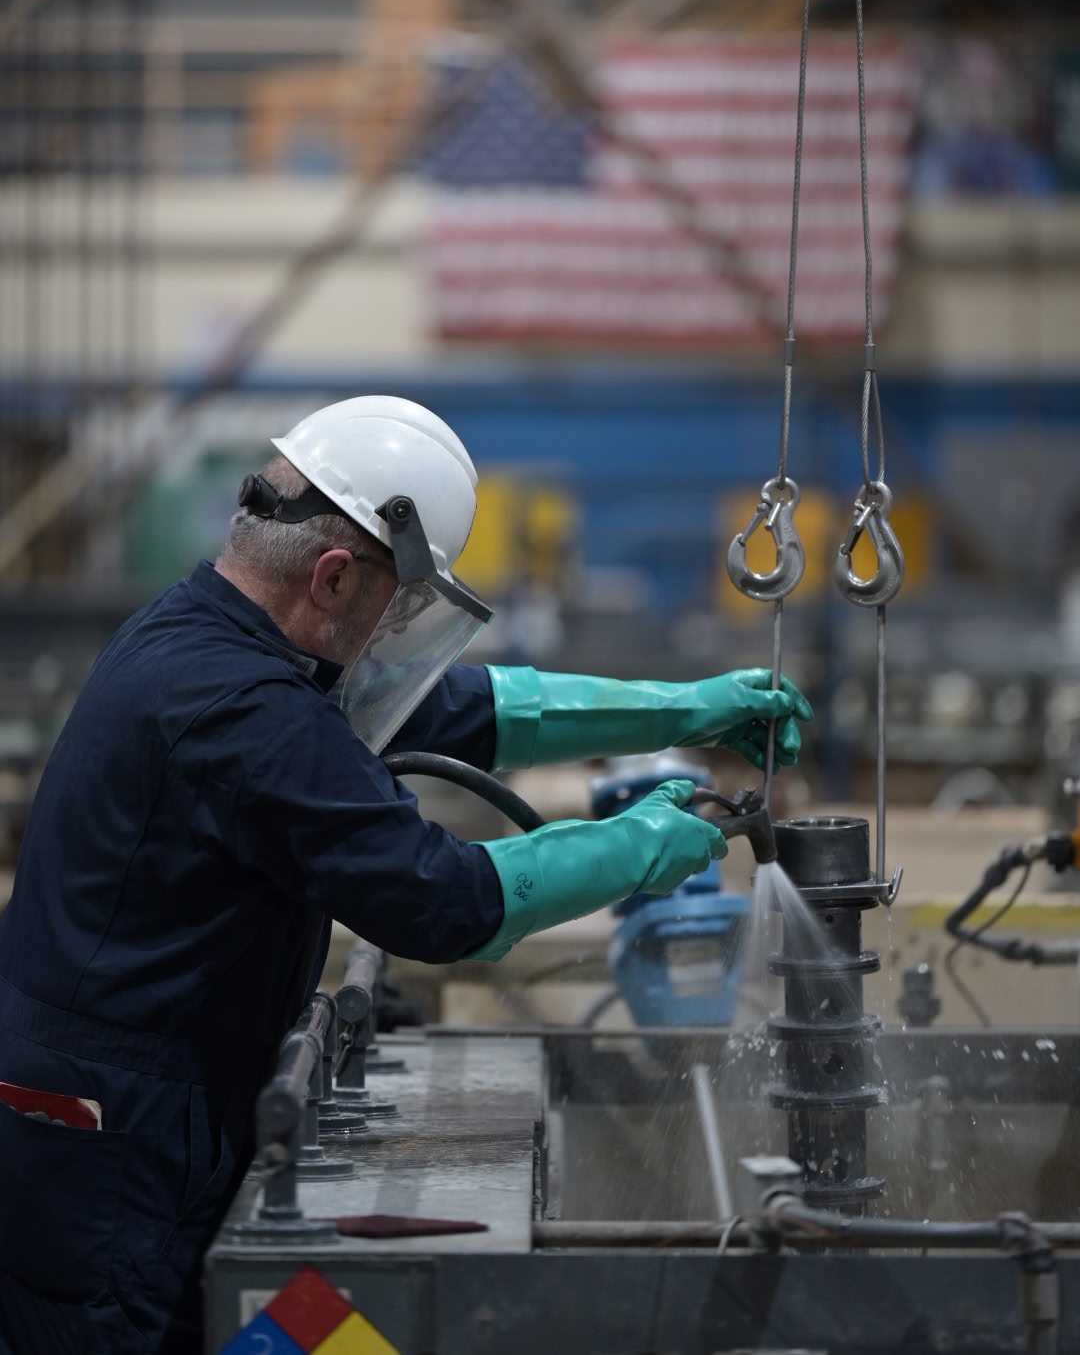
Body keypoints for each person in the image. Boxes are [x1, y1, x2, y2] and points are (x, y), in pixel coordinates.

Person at [0, 395, 811, 1355]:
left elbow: (456, 711)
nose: (400, 634)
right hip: (117, 1143)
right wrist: (642, 846)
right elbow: (441, 900)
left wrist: (688, 709)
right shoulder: (242, 708)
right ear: (336, 576)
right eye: (402, 603)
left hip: (145, 1100)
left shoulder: (211, 632)